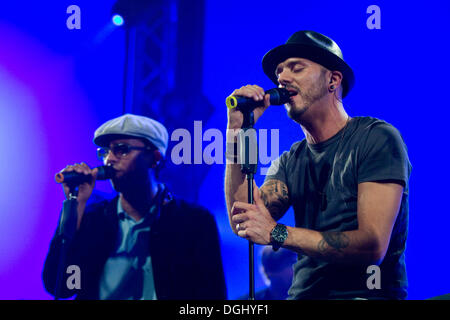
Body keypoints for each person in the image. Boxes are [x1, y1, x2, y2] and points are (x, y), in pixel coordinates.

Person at [225, 31, 411, 299]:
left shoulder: (376, 138)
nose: (282, 78)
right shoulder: (291, 161)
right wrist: (236, 132)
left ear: (333, 80)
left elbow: (372, 246)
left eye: (296, 68)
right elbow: (243, 220)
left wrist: (277, 233)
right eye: (279, 71)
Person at [43, 113, 227, 300]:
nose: (109, 159)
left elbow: (212, 296)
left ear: (155, 157)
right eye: (105, 151)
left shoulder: (193, 223)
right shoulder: (93, 219)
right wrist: (77, 205)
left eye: (122, 150)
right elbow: (62, 286)